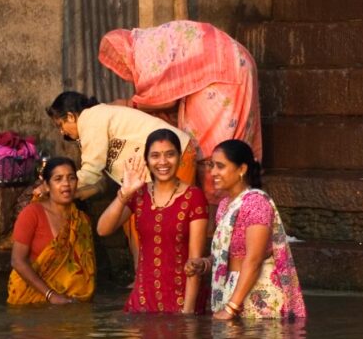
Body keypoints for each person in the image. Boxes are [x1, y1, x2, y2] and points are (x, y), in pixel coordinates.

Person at [98, 20, 261, 201]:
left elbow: (163, 100)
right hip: (237, 63)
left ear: (124, 51)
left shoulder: (144, 51)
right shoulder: (152, 38)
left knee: (208, 151)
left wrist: (128, 104)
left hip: (219, 75)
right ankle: (229, 207)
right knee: (231, 146)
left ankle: (216, 216)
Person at [46, 92, 197, 266]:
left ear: (71, 116)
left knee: (174, 218)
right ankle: (143, 274)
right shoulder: (95, 120)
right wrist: (77, 192)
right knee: (132, 221)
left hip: (174, 156)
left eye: (60, 125)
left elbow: (91, 171)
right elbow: (98, 180)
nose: (61, 132)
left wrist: (57, 187)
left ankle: (179, 272)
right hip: (145, 176)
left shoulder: (90, 118)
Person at [187, 140, 306, 320]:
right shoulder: (224, 206)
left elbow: (254, 259)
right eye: (212, 166)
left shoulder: (256, 203)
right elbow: (226, 255)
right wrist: (204, 263)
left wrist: (231, 308)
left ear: (242, 169)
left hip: (257, 294)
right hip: (232, 289)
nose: (213, 172)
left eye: (220, 166)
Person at [97, 129, 208, 314]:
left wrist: (187, 315)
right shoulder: (138, 194)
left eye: (170, 155)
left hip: (181, 300)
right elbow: (103, 229)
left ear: (180, 158)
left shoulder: (194, 197)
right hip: (142, 299)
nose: (163, 162)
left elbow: (194, 262)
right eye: (155, 156)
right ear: (147, 160)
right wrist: (124, 195)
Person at [7, 157, 95, 305]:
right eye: (58, 179)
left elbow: (87, 271)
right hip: (31, 302)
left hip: (73, 303)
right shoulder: (32, 213)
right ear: (47, 186)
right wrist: (51, 295)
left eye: (71, 178)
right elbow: (17, 260)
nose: (66, 184)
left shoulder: (81, 220)